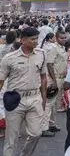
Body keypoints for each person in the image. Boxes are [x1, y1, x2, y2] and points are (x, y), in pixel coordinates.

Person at [0, 26, 47, 156]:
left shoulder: (41, 54)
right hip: (15, 99)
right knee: (11, 139)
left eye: (37, 38)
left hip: (35, 98)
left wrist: (44, 98)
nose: (36, 41)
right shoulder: (9, 58)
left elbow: (43, 77)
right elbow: (1, 80)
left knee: (36, 133)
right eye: (33, 39)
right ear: (23, 40)